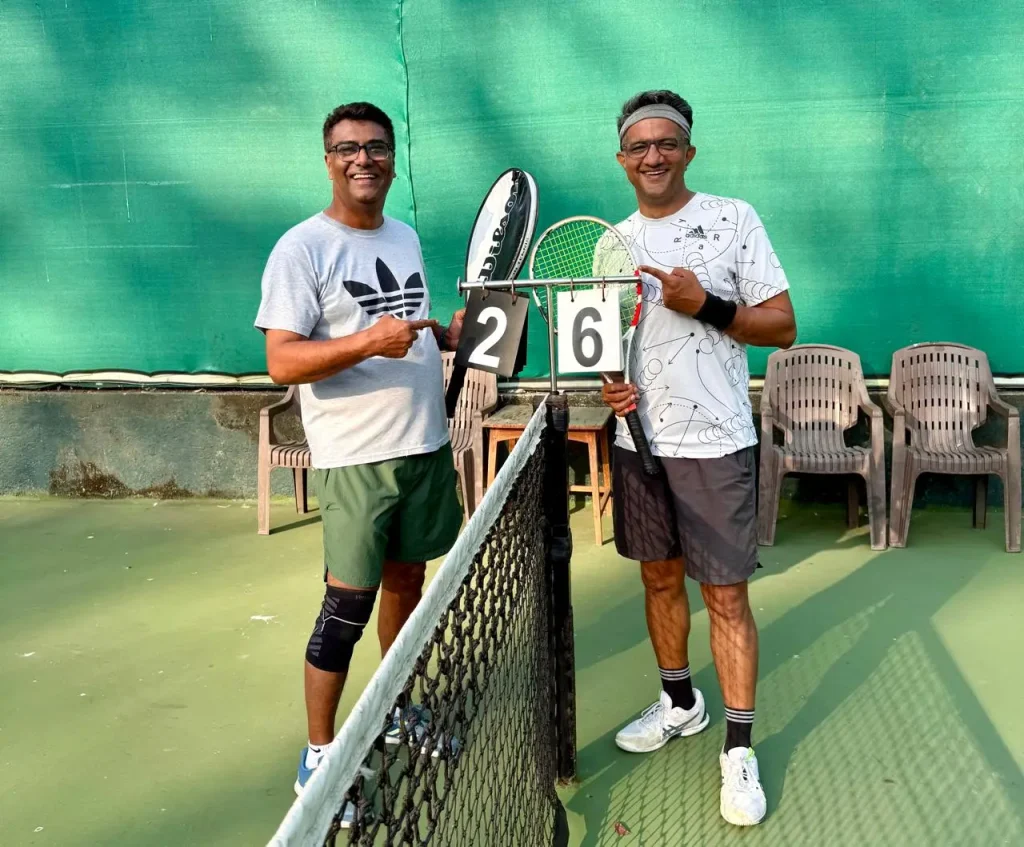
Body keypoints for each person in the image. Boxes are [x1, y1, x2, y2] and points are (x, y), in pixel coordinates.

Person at [254, 102, 465, 803]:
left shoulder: (402, 236)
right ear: (328, 160)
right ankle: (320, 754)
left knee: (408, 584)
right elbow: (283, 362)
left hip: (425, 447)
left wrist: (445, 331)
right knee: (345, 610)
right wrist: (368, 343)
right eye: (348, 149)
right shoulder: (301, 249)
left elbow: (404, 324)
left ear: (392, 158)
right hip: (356, 461)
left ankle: (398, 706)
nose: (363, 159)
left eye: (376, 147)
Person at [602, 90, 797, 827]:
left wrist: (706, 304)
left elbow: (781, 325)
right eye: (638, 145)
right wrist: (610, 383)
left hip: (716, 443)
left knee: (725, 596)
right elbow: (605, 342)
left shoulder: (733, 219)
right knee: (658, 581)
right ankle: (681, 700)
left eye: (667, 142)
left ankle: (737, 747)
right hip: (639, 443)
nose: (653, 155)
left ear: (688, 150)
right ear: (622, 160)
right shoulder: (610, 244)